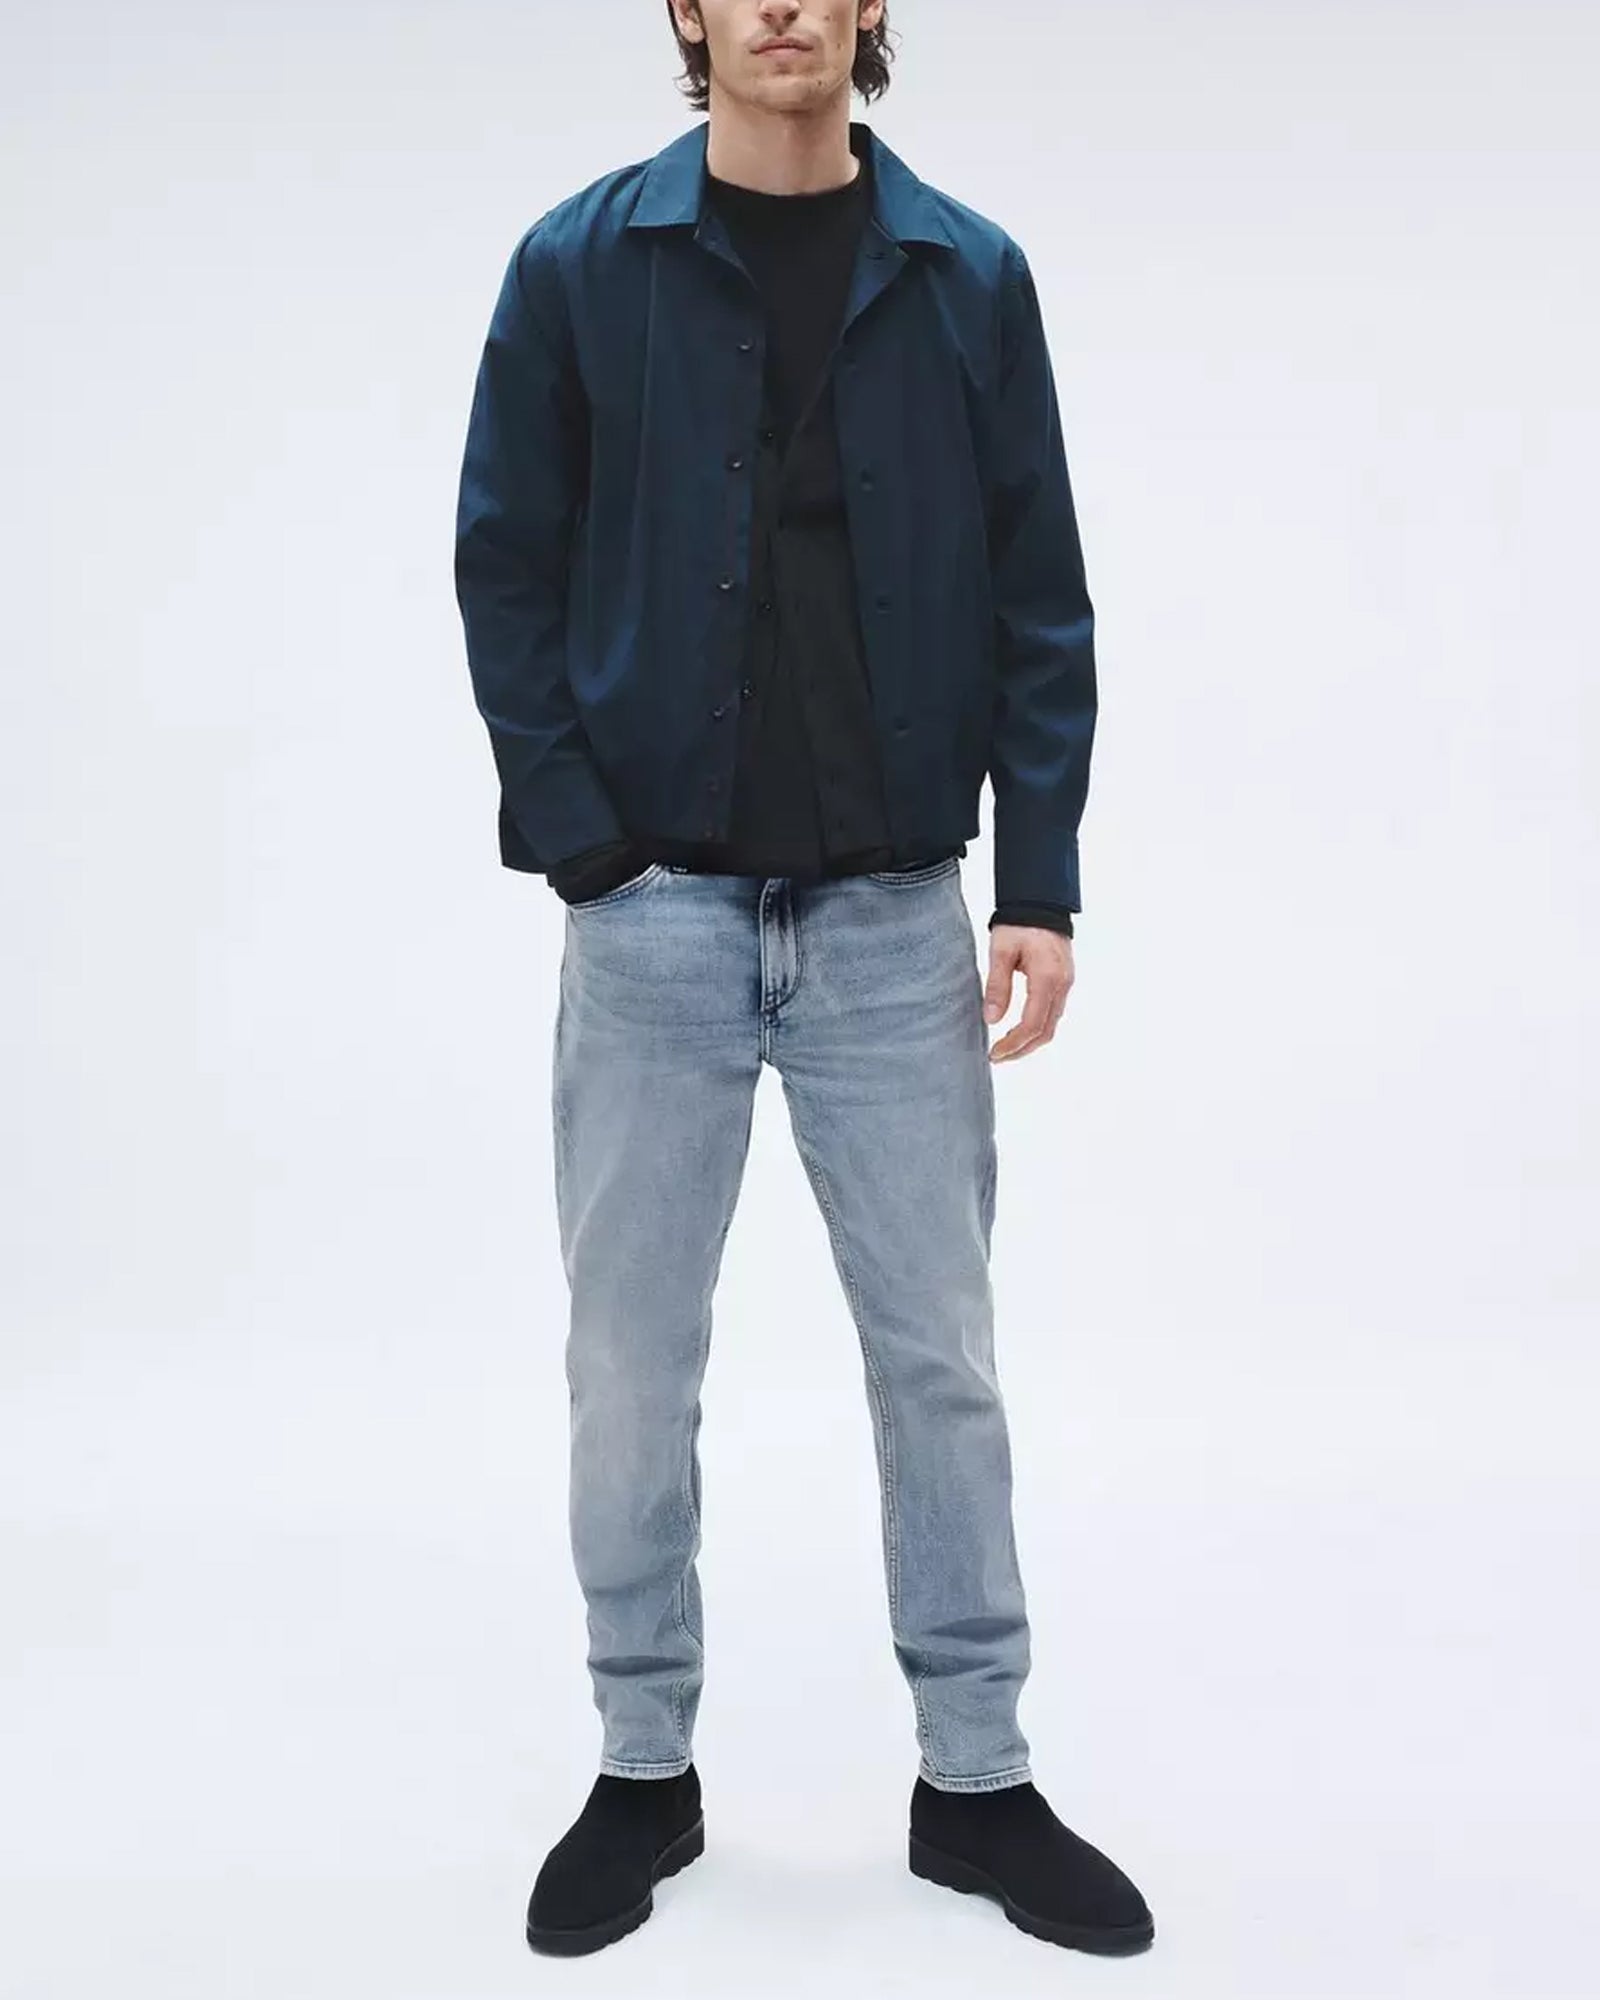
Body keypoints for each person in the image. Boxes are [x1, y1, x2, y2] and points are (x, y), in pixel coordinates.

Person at [453, 0, 1153, 1961]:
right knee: (628, 1365)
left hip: (890, 923)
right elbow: (504, 563)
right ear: (685, 11)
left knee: (940, 1361)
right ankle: (642, 1768)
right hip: (649, 917)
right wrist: (582, 842)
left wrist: (1040, 878)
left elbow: (1040, 591)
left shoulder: (967, 277)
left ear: (867, 9)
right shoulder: (578, 266)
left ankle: (977, 1783)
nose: (779, 5)